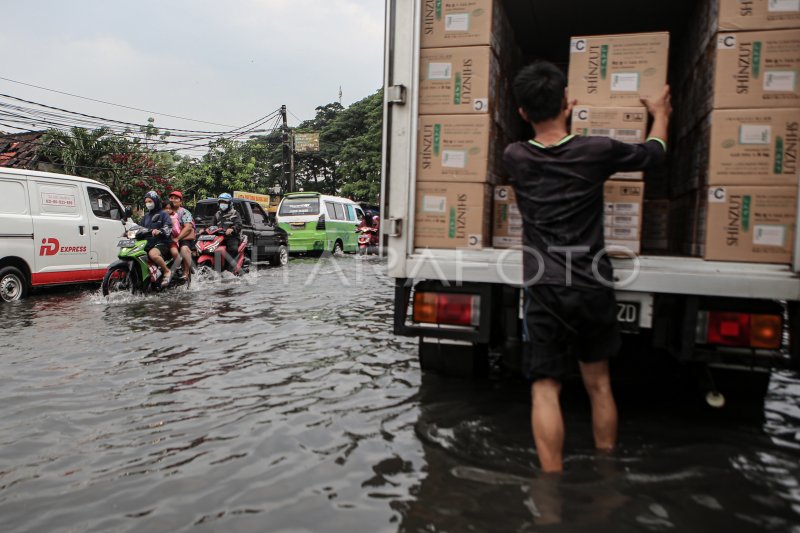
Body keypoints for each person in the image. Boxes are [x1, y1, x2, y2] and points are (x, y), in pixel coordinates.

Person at [503, 61, 671, 473]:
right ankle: (607, 471)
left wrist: (557, 113)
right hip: (592, 284)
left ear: (522, 113)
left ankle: (550, 483)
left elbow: (546, 142)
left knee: (545, 389)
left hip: (544, 287)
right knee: (598, 385)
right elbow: (654, 154)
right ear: (567, 102)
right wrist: (661, 113)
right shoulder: (596, 151)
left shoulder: (515, 156)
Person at [140, 191, 173, 287]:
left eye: (150, 201)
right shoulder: (145, 216)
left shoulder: (163, 214)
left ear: (155, 201)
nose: (148, 204)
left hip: (162, 242)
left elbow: (168, 227)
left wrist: (160, 231)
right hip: (148, 243)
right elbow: (140, 228)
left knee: (153, 254)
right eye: (146, 202)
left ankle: (167, 271)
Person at [168, 191, 195, 281]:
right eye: (171, 198)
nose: (173, 200)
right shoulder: (165, 210)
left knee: (184, 249)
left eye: (176, 198)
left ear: (180, 201)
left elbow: (188, 227)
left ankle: (186, 272)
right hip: (168, 238)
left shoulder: (184, 212)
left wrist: (178, 238)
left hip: (183, 238)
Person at [213, 193, 242, 272]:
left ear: (230, 203)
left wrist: (232, 229)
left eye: (225, 202)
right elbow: (212, 225)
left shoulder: (235, 213)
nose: (223, 204)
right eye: (221, 202)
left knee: (232, 249)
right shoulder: (217, 215)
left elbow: (239, 225)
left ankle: (230, 269)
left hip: (232, 237)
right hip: (219, 237)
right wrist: (204, 230)